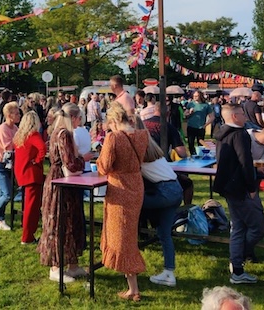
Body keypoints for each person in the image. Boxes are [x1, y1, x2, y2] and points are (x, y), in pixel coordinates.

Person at [97, 102, 147, 301]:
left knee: (122, 239)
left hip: (119, 189)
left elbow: (104, 166)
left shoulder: (114, 138)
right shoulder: (142, 135)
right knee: (128, 234)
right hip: (136, 185)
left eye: (110, 122)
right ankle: (132, 285)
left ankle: (133, 288)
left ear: (115, 120)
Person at [214, 103, 264, 284]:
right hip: (240, 188)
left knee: (238, 227)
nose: (245, 117)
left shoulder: (222, 134)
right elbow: (245, 162)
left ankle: (237, 267)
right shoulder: (239, 135)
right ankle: (238, 260)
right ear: (235, 116)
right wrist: (251, 188)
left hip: (229, 186)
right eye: (242, 114)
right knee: (257, 227)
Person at [36, 107, 86, 283]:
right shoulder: (64, 134)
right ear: (72, 117)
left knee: (70, 221)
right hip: (60, 183)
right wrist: (83, 159)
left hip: (61, 181)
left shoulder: (57, 132)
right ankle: (55, 267)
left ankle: (72, 265)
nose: (80, 122)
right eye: (79, 118)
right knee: (59, 223)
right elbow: (69, 162)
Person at [141, 133, 184, 288]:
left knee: (130, 202)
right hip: (176, 189)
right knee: (164, 234)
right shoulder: (155, 153)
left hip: (164, 191)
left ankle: (128, 258)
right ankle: (169, 272)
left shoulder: (139, 153)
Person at [13, 111, 46, 244]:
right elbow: (42, 148)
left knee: (29, 205)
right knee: (32, 207)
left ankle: (28, 234)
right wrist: (37, 161)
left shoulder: (20, 136)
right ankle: (27, 236)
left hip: (22, 172)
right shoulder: (34, 135)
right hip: (32, 173)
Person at [0, 101, 20, 232]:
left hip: (9, 165)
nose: (19, 115)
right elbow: (9, 147)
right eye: (17, 113)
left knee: (3, 193)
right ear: (9, 115)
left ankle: (1, 220)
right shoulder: (3, 129)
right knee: (7, 194)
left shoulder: (15, 128)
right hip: (0, 164)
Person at [185, 90, 213, 155]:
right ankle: (192, 155)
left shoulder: (206, 105)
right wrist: (189, 112)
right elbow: (185, 115)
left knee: (200, 144)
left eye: (196, 96)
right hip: (191, 126)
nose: (195, 97)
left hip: (200, 127)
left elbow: (212, 117)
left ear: (200, 96)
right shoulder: (190, 104)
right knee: (190, 143)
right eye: (194, 96)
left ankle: (200, 155)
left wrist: (205, 125)